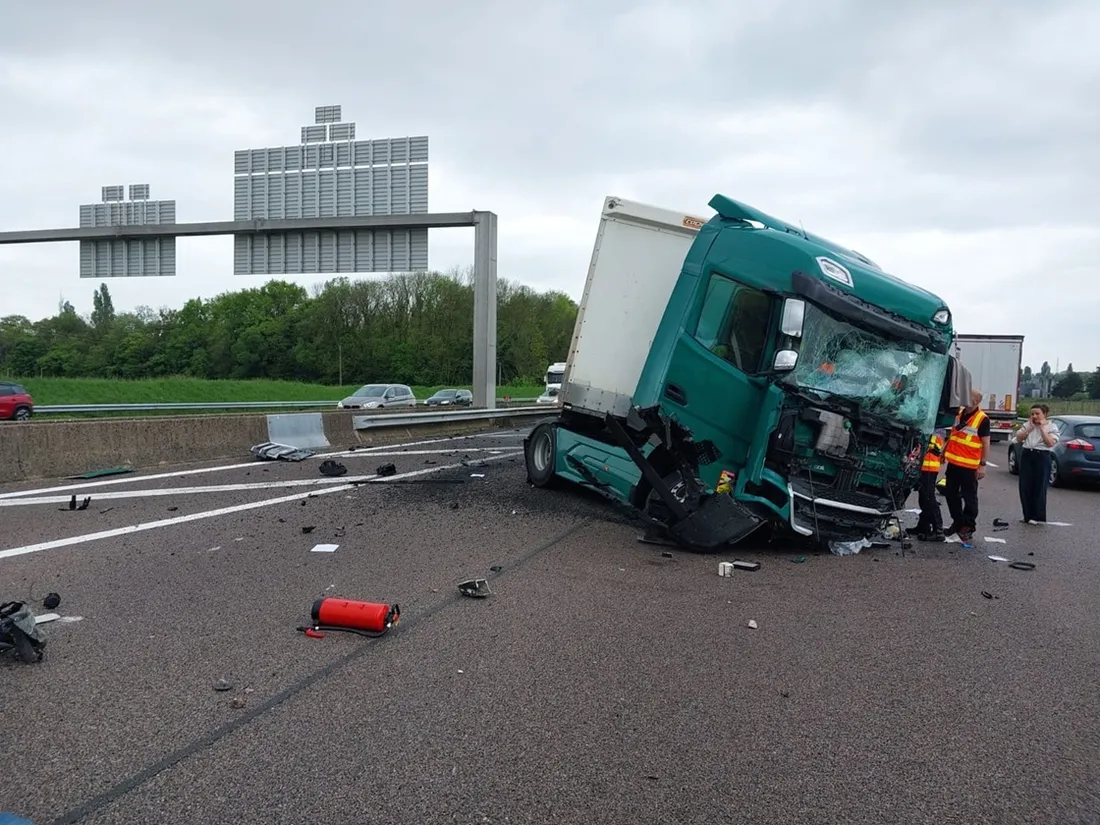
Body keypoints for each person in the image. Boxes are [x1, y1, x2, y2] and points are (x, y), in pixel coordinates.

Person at [942, 389, 990, 542]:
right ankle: (957, 522)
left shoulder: (982, 419)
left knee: (969, 497)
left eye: (968, 396)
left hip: (969, 465)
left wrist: (982, 464)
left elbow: (985, 442)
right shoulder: (959, 414)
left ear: (975, 401)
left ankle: (968, 526)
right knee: (950, 494)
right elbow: (955, 434)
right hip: (954, 462)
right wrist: (944, 450)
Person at [1014, 403, 1058, 523]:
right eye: (1032, 414)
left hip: (1042, 455)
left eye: (1037, 414)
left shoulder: (1052, 427)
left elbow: (1050, 443)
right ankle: (1027, 515)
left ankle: (1036, 516)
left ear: (1045, 414)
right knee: (1025, 485)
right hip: (1027, 454)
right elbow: (1018, 438)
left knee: (1039, 486)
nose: (1034, 416)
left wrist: (1043, 429)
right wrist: (1029, 428)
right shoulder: (1028, 425)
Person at [914, 427, 947, 541]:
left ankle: (938, 530)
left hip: (928, 464)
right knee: (923, 498)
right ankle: (923, 526)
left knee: (929, 498)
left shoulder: (935, 423)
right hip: (923, 464)